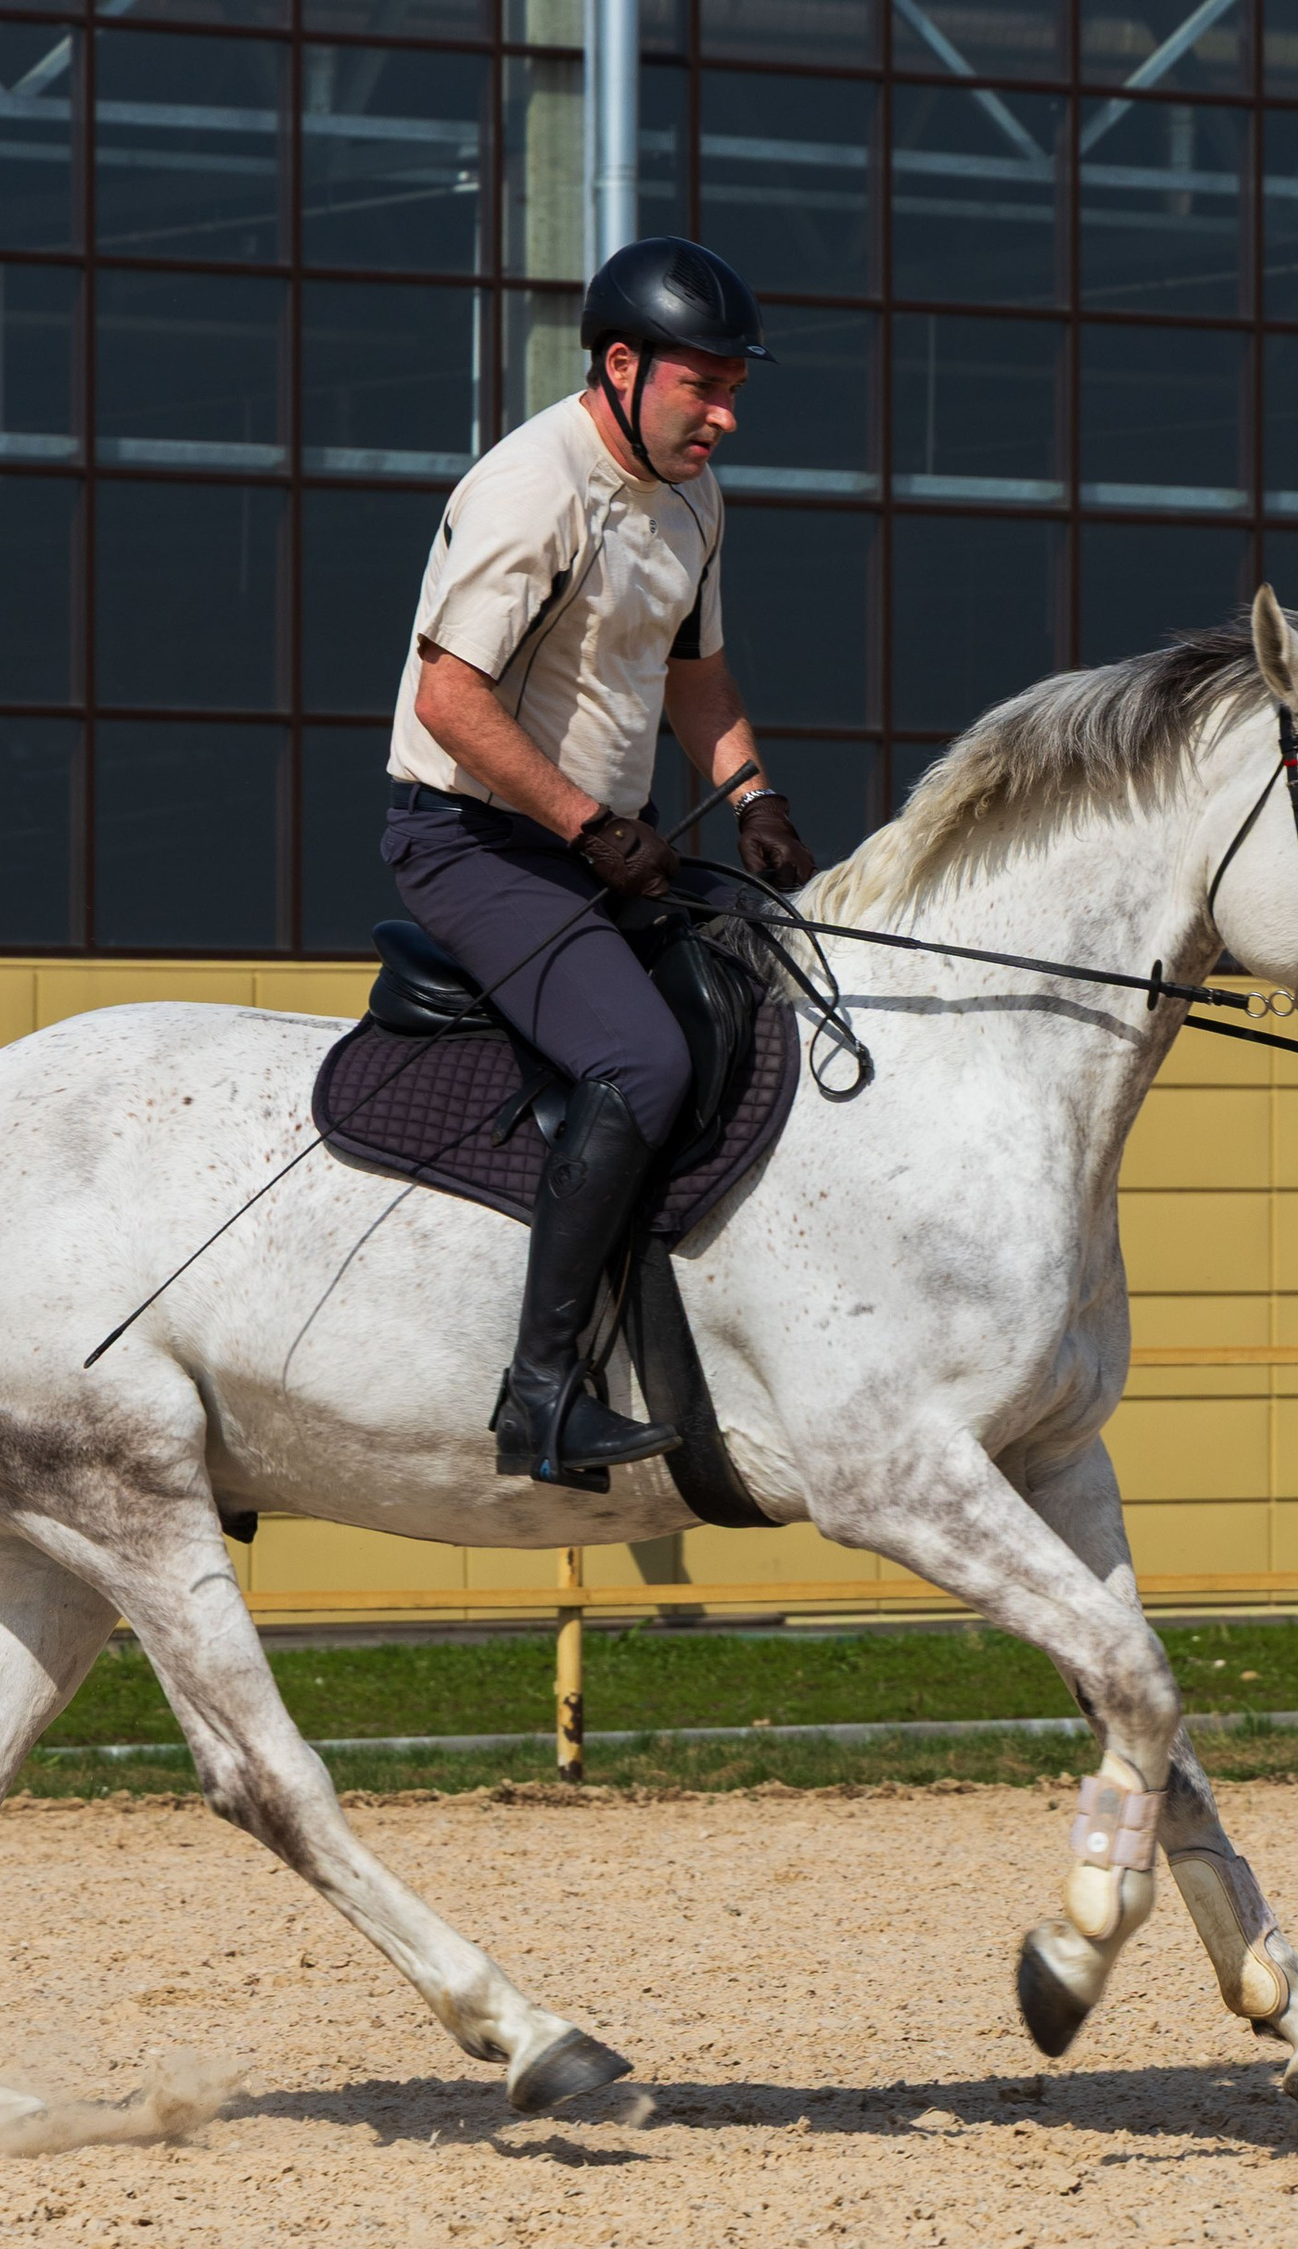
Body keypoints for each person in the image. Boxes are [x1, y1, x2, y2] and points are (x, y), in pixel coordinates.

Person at [382, 236, 815, 1488]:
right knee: (641, 1056)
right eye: (704, 387)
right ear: (621, 366)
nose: (726, 416)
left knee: (756, 1005)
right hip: (471, 837)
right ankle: (539, 1398)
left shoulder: (693, 495)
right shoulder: (534, 489)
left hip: (590, 848)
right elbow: (451, 698)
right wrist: (587, 823)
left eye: (736, 388)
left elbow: (696, 674)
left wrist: (753, 794)